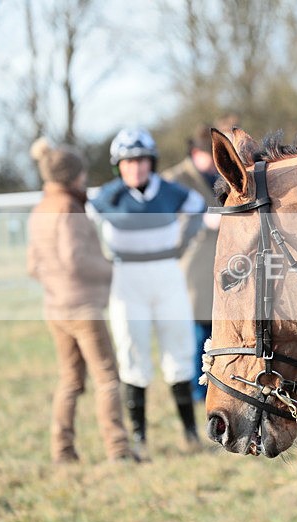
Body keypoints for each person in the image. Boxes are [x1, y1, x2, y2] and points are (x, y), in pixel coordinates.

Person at [89, 127, 206, 460]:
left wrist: (183, 243)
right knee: (132, 353)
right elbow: (85, 223)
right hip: (126, 279)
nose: (135, 168)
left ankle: (190, 433)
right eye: (128, 162)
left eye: (141, 161)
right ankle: (139, 437)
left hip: (167, 275)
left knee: (179, 352)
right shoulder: (107, 196)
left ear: (151, 162)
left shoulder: (168, 190)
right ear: (118, 166)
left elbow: (198, 206)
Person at [27, 138, 136, 463]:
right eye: (82, 173)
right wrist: (111, 269)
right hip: (82, 309)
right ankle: (118, 450)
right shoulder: (69, 208)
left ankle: (62, 450)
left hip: (54, 307)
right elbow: (76, 259)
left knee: (70, 381)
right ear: (73, 176)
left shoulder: (41, 208)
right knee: (108, 379)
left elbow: (32, 265)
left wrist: (55, 285)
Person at [161, 124, 222, 402]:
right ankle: (198, 390)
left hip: (217, 262)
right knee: (196, 330)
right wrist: (202, 221)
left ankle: (214, 384)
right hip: (191, 264)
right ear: (196, 153)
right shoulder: (174, 179)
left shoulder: (216, 176)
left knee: (214, 328)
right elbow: (167, 221)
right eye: (210, 156)